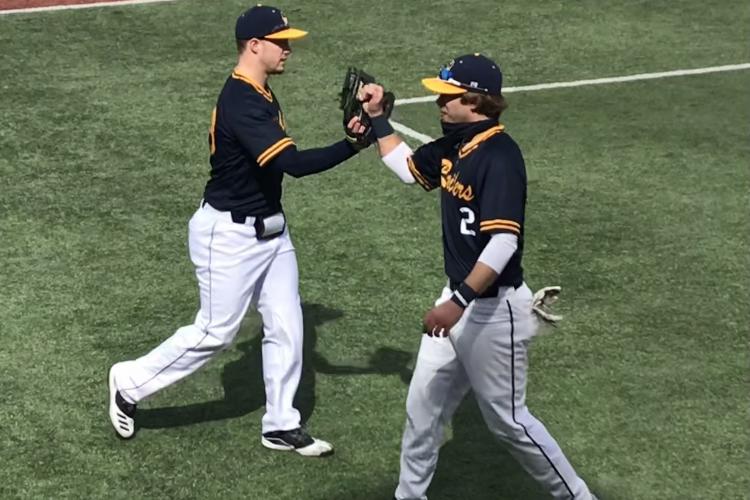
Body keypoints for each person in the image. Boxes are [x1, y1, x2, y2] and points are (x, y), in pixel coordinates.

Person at [108, 5, 366, 457]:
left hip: (272, 232)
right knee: (215, 332)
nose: (288, 49)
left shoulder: (260, 91)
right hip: (228, 235)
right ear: (254, 45)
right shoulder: (243, 101)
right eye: (280, 42)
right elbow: (293, 165)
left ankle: (281, 424)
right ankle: (129, 381)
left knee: (287, 325)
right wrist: (351, 146)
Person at [354, 54, 597, 498]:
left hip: (492, 311)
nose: (439, 101)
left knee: (509, 422)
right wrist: (376, 120)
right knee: (422, 410)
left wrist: (457, 301)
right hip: (460, 301)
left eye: (448, 95)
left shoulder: (500, 156)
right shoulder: (456, 143)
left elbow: (503, 244)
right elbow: (408, 170)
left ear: (476, 100)